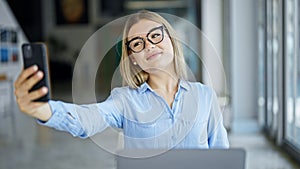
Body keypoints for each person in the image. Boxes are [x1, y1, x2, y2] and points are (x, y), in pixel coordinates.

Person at [14, 10, 229, 149]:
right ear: (133, 58)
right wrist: (44, 110)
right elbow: (88, 118)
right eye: (137, 43)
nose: (149, 45)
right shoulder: (125, 100)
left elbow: (222, 156)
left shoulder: (204, 96)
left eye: (155, 35)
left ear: (171, 40)